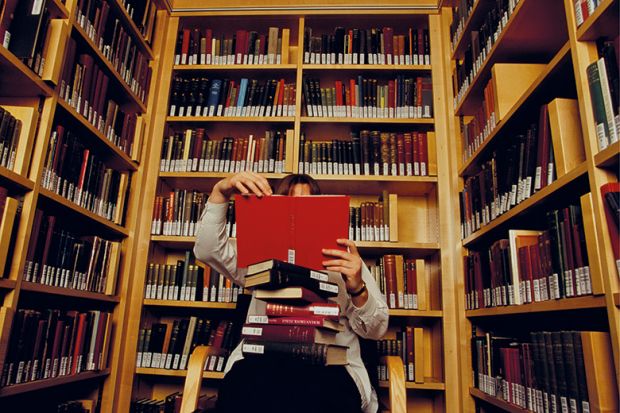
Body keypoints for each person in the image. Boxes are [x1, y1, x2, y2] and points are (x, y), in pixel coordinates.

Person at [193, 172, 389, 413]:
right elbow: (207, 250)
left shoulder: (345, 261)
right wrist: (221, 191)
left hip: (329, 370)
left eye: (308, 203)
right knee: (243, 387)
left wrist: (357, 288)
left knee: (317, 395)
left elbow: (377, 329)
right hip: (263, 364)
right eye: (290, 201)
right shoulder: (259, 256)